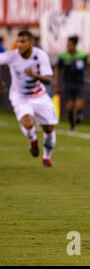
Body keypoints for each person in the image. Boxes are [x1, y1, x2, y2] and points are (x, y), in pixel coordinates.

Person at [0, 30, 58, 167]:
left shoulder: (40, 55)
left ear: (31, 43)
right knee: (28, 123)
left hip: (40, 96)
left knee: (49, 129)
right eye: (18, 41)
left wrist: (35, 75)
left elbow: (49, 80)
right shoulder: (12, 56)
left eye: (23, 41)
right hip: (20, 97)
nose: (19, 44)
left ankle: (46, 157)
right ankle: (33, 139)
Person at [53, 36, 90, 131]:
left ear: (74, 45)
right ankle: (72, 123)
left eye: (69, 44)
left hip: (79, 83)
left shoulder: (82, 55)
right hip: (67, 83)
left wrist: (88, 77)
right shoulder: (63, 56)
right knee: (69, 106)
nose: (68, 46)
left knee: (79, 105)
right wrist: (56, 83)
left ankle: (79, 115)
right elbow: (57, 69)